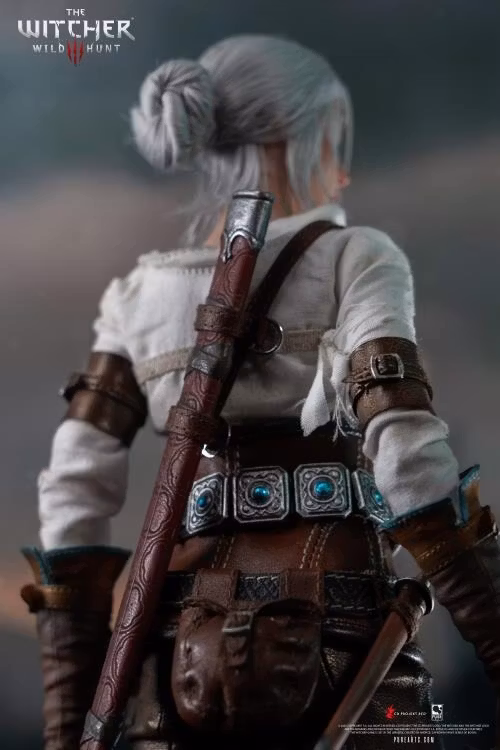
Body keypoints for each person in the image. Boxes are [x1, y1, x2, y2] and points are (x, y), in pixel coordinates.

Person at [20, 35, 498, 750]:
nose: (342, 169)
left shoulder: (137, 295)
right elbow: (404, 451)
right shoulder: (357, 257)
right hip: (340, 625)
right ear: (308, 139)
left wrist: (67, 724)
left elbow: (72, 495)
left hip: (177, 647)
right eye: (336, 141)